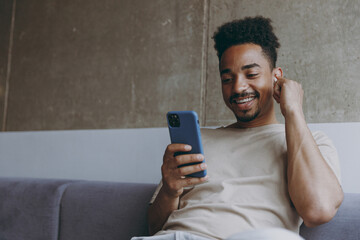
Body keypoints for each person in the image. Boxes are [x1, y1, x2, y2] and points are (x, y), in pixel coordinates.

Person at [132, 16, 343, 240]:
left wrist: (293, 111)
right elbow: (153, 229)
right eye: (227, 79)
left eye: (251, 74)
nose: (238, 87)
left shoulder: (312, 143)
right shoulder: (198, 140)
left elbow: (318, 210)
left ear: (277, 78)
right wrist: (170, 190)